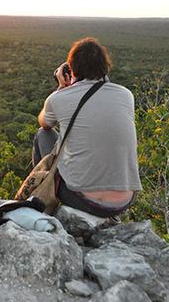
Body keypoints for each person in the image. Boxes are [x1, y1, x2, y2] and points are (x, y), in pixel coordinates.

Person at [33, 37, 142, 218]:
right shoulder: (126, 95)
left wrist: (61, 88)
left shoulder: (59, 98)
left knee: (42, 135)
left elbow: (44, 123)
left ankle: (41, 206)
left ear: (71, 68)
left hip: (82, 199)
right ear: (105, 67)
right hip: (124, 201)